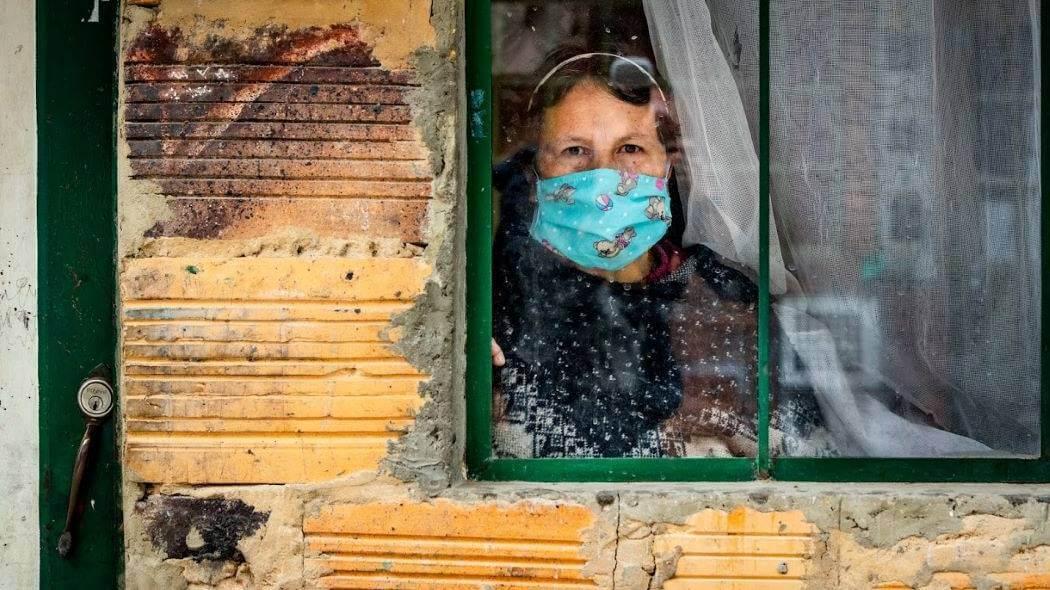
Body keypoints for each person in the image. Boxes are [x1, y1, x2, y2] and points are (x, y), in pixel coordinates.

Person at [490, 49, 828, 458]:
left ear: (668, 166)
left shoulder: (726, 302)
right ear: (534, 170)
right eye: (574, 150)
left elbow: (801, 468)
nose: (604, 176)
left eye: (630, 148)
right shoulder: (494, 303)